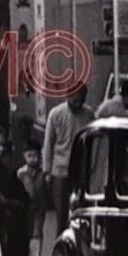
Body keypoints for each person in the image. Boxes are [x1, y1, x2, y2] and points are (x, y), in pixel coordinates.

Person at [41, 85, 93, 238]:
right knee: (62, 213)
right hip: (60, 170)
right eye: (74, 101)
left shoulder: (89, 114)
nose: (78, 104)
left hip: (82, 171)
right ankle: (61, 245)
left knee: (81, 212)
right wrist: (47, 171)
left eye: (81, 101)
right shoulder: (56, 114)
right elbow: (48, 144)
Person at [16, 144, 48, 256]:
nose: (32, 158)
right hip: (25, 206)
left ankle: (37, 255)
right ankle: (27, 252)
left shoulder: (42, 173)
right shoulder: (21, 173)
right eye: (29, 156)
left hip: (40, 205)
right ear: (24, 156)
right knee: (27, 230)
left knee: (38, 230)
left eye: (35, 155)